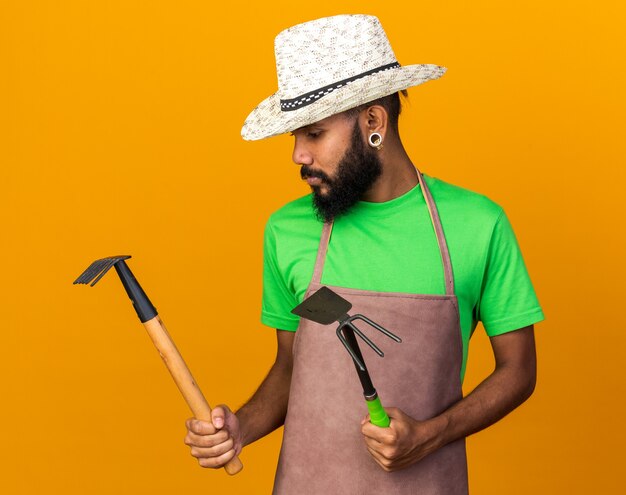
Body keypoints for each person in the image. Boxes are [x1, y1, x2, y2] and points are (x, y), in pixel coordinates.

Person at [184, 14, 544, 494]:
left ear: (373, 121)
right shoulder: (288, 231)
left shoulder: (477, 225)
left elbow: (518, 371)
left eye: (313, 134)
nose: (298, 156)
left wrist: (429, 435)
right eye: (295, 137)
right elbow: (291, 368)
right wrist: (240, 428)